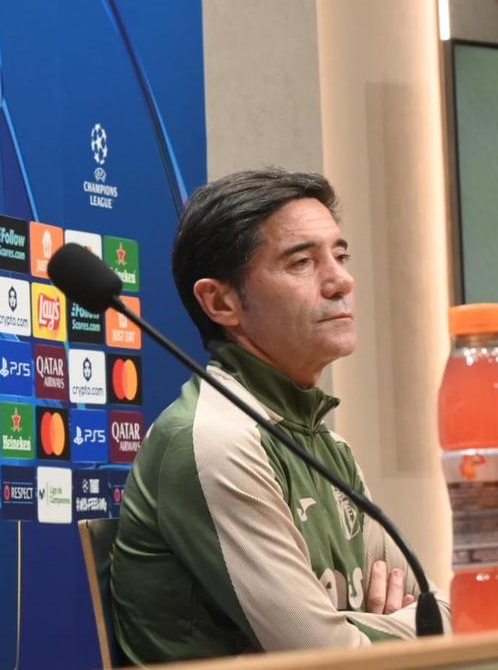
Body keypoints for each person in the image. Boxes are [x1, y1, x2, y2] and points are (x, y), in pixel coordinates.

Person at [110, 169, 450, 663]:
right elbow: (330, 657)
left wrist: (364, 628)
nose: (341, 280)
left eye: (340, 255)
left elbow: (446, 613)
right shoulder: (213, 439)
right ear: (221, 301)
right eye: (302, 262)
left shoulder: (325, 444)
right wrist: (382, 627)